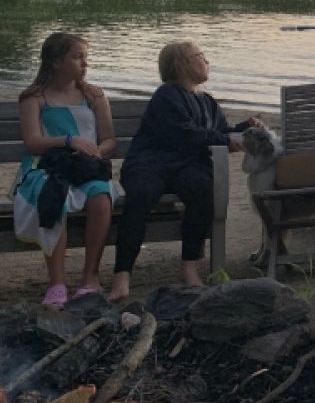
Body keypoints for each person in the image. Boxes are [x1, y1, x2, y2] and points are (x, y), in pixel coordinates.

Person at [111, 41, 261, 302]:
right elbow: (188, 132)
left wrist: (242, 128)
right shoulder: (167, 94)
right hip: (151, 162)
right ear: (181, 64)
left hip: (186, 165)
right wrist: (225, 141)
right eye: (200, 56)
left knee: (202, 188)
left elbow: (219, 131)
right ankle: (122, 274)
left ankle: (189, 266)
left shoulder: (208, 101)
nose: (206, 61)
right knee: (141, 194)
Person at [13, 33, 116, 309]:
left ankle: (89, 277)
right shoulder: (35, 98)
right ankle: (57, 281)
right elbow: (33, 143)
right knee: (53, 194)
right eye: (77, 56)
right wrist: (68, 141)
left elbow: (108, 140)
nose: (85, 62)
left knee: (101, 196)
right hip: (46, 165)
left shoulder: (93, 95)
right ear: (56, 61)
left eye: (85, 56)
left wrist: (96, 152)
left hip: (85, 166)